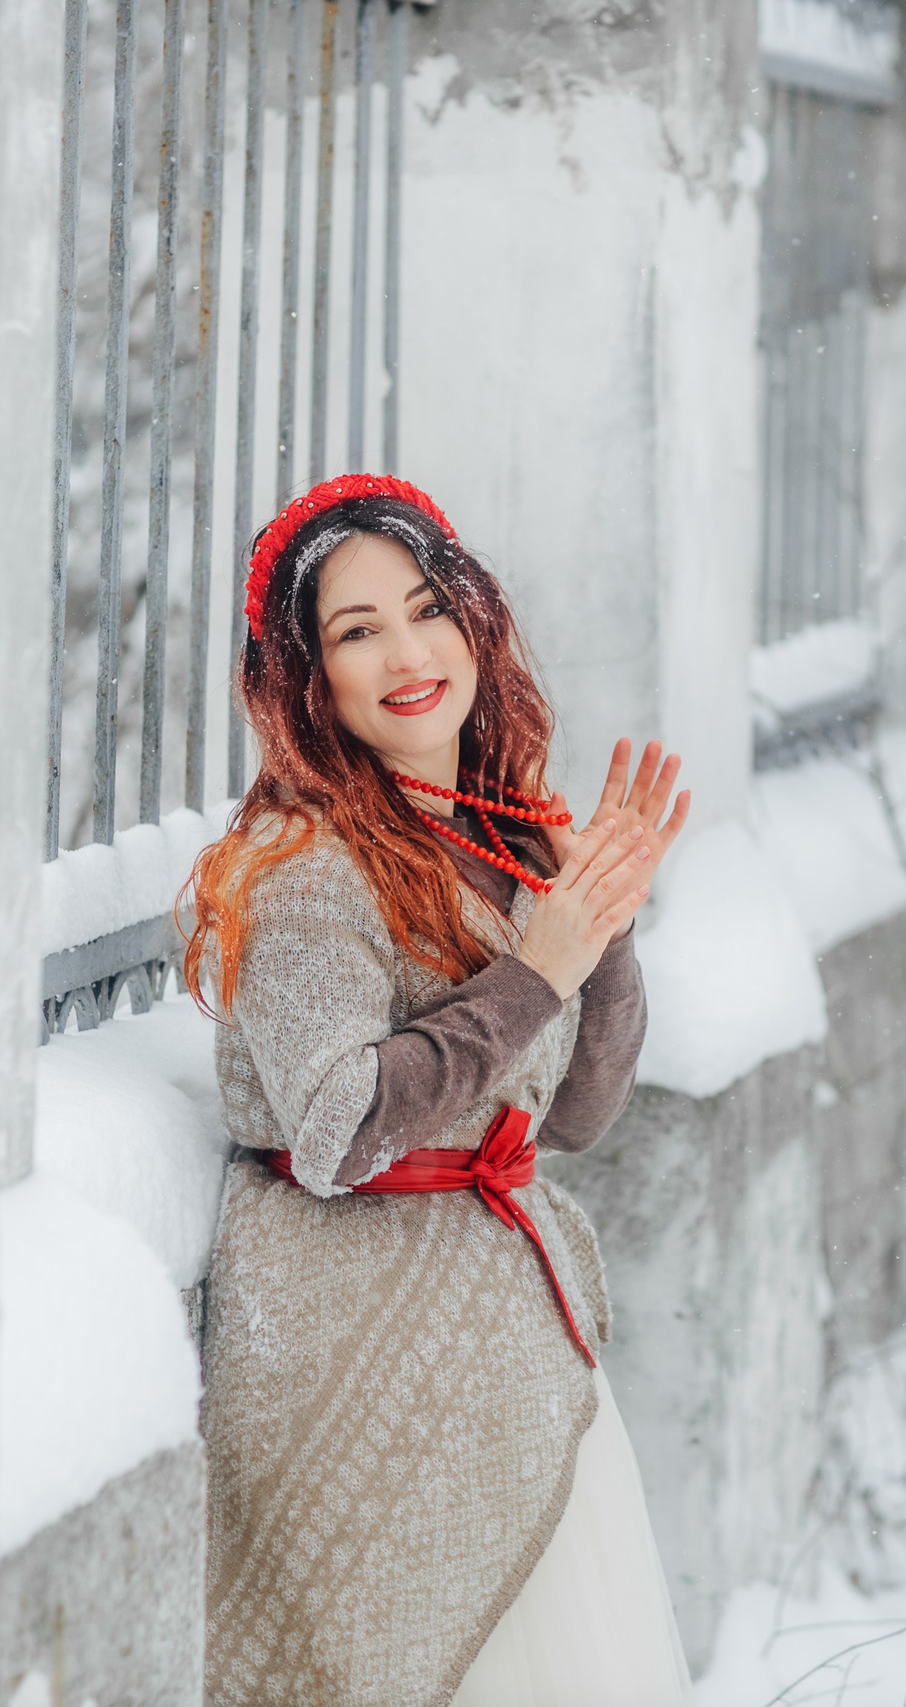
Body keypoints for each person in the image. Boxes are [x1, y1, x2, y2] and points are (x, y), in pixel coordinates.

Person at [187, 474, 697, 1706]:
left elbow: (569, 1118)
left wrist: (598, 928)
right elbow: (337, 1131)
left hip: (504, 1349)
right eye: (357, 632)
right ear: (304, 680)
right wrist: (537, 967)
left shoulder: (487, 827)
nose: (409, 654)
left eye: (426, 609)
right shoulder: (296, 868)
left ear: (473, 621)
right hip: (356, 1345)